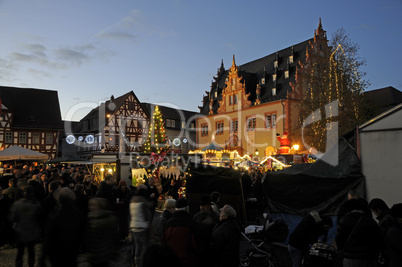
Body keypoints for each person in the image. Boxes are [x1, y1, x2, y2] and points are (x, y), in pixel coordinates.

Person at [336, 198, 382, 267]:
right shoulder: (370, 221)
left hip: (350, 258)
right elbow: (378, 240)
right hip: (369, 259)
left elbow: (339, 240)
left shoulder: (344, 220)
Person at [45, 187, 85, 267]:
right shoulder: (78, 214)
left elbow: (49, 237)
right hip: (72, 251)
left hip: (57, 252)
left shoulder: (54, 215)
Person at [9, 186, 42, 267]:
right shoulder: (35, 204)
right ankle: (31, 265)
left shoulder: (17, 204)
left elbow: (12, 218)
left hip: (20, 231)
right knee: (31, 251)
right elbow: (40, 218)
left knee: (20, 251)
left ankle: (19, 265)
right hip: (32, 231)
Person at [82, 198, 119, 267]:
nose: (91, 207)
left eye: (93, 205)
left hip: (96, 253)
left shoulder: (92, 219)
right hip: (106, 253)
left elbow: (89, 238)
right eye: (90, 205)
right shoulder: (110, 217)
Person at [162, 198, 198, 267]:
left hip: (171, 258)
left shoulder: (168, 223)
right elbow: (195, 243)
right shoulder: (191, 223)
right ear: (187, 208)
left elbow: (163, 241)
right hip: (187, 260)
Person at [369, 198, 402, 267]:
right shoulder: (391, 219)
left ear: (378, 210)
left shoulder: (386, 224)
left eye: (374, 212)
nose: (375, 215)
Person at [193, 195, 219, 265]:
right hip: (200, 246)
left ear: (209, 206)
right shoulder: (197, 216)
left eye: (204, 205)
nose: (201, 207)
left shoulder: (216, 216)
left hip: (211, 246)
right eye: (200, 205)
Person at [129, 187, 152, 267]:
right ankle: (145, 262)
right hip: (142, 226)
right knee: (145, 246)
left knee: (137, 246)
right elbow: (147, 215)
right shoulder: (143, 202)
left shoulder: (132, 201)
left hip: (133, 226)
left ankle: (136, 262)